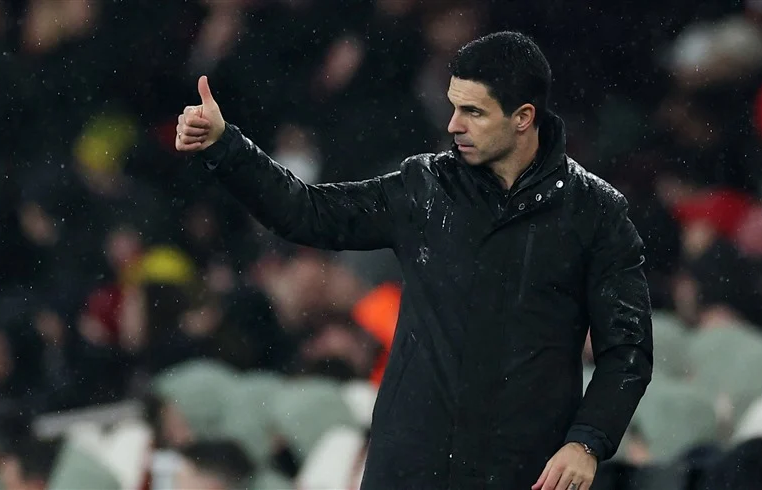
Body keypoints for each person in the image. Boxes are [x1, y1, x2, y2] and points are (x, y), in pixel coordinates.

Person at [176, 31, 653, 490]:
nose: (453, 125)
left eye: (473, 112)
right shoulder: (425, 188)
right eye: (453, 106)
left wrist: (587, 443)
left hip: (523, 471)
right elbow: (307, 212)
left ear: (523, 117)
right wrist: (226, 145)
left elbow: (628, 350)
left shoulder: (596, 214)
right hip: (410, 465)